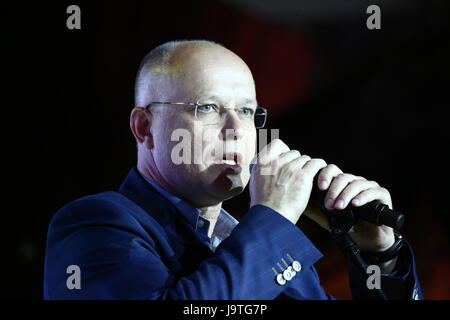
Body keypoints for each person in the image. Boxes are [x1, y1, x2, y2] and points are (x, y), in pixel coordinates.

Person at [44, 40, 422, 299]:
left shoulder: (270, 246)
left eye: (246, 112)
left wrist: (381, 258)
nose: (237, 132)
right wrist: (273, 217)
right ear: (145, 128)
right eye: (207, 108)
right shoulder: (93, 224)